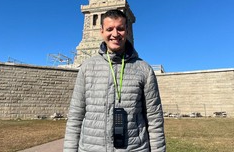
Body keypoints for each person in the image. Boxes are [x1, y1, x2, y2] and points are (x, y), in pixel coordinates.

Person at [63, 9, 166, 151]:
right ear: (102, 31)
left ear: (127, 30)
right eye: (109, 29)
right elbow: (75, 115)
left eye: (120, 28)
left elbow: (155, 119)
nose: (115, 34)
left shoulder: (144, 69)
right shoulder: (87, 67)